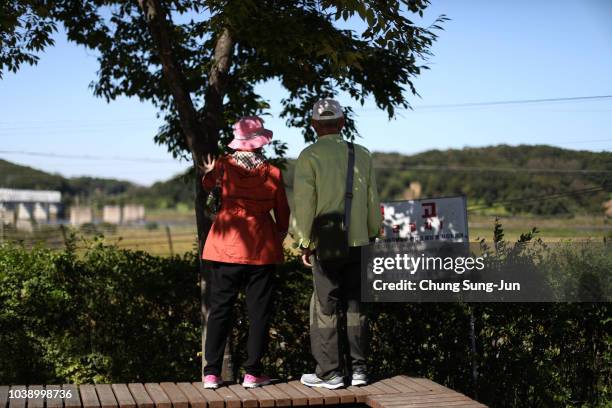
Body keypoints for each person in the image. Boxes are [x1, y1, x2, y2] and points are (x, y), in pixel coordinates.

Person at [292, 99, 382, 389]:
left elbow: (306, 204)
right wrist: (372, 232)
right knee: (357, 305)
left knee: (325, 307)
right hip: (360, 240)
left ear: (314, 125)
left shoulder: (309, 155)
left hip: (327, 243)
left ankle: (330, 372)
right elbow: (372, 200)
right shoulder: (362, 155)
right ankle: (359, 370)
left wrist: (304, 242)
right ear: (343, 123)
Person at [198, 116, 290, 389]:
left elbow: (207, 186)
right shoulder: (273, 173)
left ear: (237, 141)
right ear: (261, 142)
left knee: (220, 310)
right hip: (261, 248)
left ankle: (211, 374)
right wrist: (279, 235)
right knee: (259, 312)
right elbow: (283, 213)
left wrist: (208, 171)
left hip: (225, 247)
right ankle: (253, 373)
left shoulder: (224, 165)